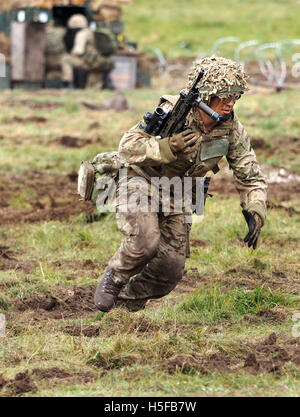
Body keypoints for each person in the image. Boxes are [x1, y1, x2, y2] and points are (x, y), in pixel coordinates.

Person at [94, 56, 267, 313]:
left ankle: (124, 308)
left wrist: (255, 208)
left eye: (235, 96)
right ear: (207, 95)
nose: (230, 102)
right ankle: (114, 277)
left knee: (170, 270)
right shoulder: (172, 111)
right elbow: (127, 147)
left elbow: (249, 173)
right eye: (223, 96)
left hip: (179, 193)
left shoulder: (230, 129)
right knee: (145, 241)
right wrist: (166, 146)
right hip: (140, 180)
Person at [62, 14, 115, 89]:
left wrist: (71, 53)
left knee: (65, 59)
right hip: (101, 62)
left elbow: (78, 51)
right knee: (93, 88)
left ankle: (69, 84)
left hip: (89, 63)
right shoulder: (93, 32)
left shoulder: (81, 34)